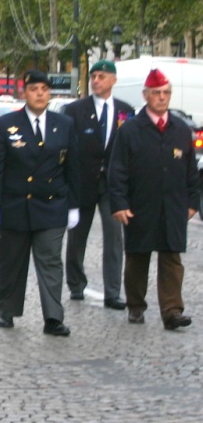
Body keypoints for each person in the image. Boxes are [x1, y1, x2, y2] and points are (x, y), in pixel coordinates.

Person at [0, 69, 80, 336]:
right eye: (34, 89)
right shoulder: (7, 124)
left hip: (51, 205)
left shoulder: (64, 124)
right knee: (12, 261)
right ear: (24, 93)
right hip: (16, 205)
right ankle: (8, 310)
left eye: (45, 90)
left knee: (50, 262)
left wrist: (74, 204)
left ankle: (53, 317)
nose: (40, 94)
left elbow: (73, 167)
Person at [108, 68, 199, 329]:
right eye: (156, 93)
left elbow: (192, 171)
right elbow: (118, 171)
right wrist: (120, 204)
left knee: (172, 258)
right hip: (140, 204)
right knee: (138, 256)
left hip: (173, 205)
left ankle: (172, 311)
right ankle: (136, 305)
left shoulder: (181, 130)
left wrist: (193, 203)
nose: (162, 97)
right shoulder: (131, 130)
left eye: (166, 93)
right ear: (146, 95)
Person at [64, 60, 134, 309]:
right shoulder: (74, 110)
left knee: (114, 239)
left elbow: (129, 149)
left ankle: (113, 292)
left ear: (113, 80)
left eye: (101, 76)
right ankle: (76, 284)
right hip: (82, 182)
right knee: (77, 236)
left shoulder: (126, 111)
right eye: (93, 76)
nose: (96, 80)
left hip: (113, 185)